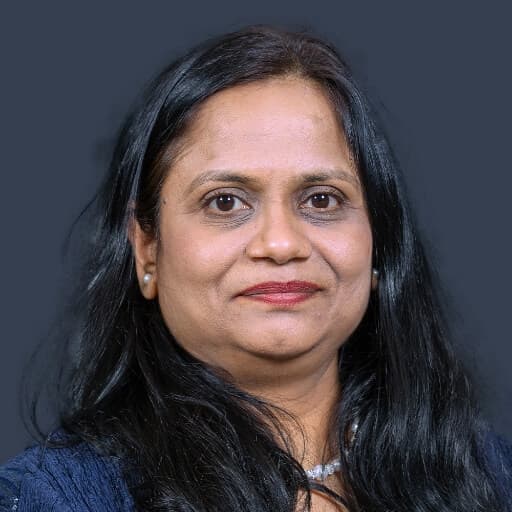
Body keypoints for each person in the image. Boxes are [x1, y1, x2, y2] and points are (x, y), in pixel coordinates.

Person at [0, 24, 511, 512]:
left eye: (321, 199)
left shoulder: (492, 477)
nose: (281, 243)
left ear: (378, 243)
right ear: (147, 250)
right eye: (225, 202)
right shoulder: (55, 498)